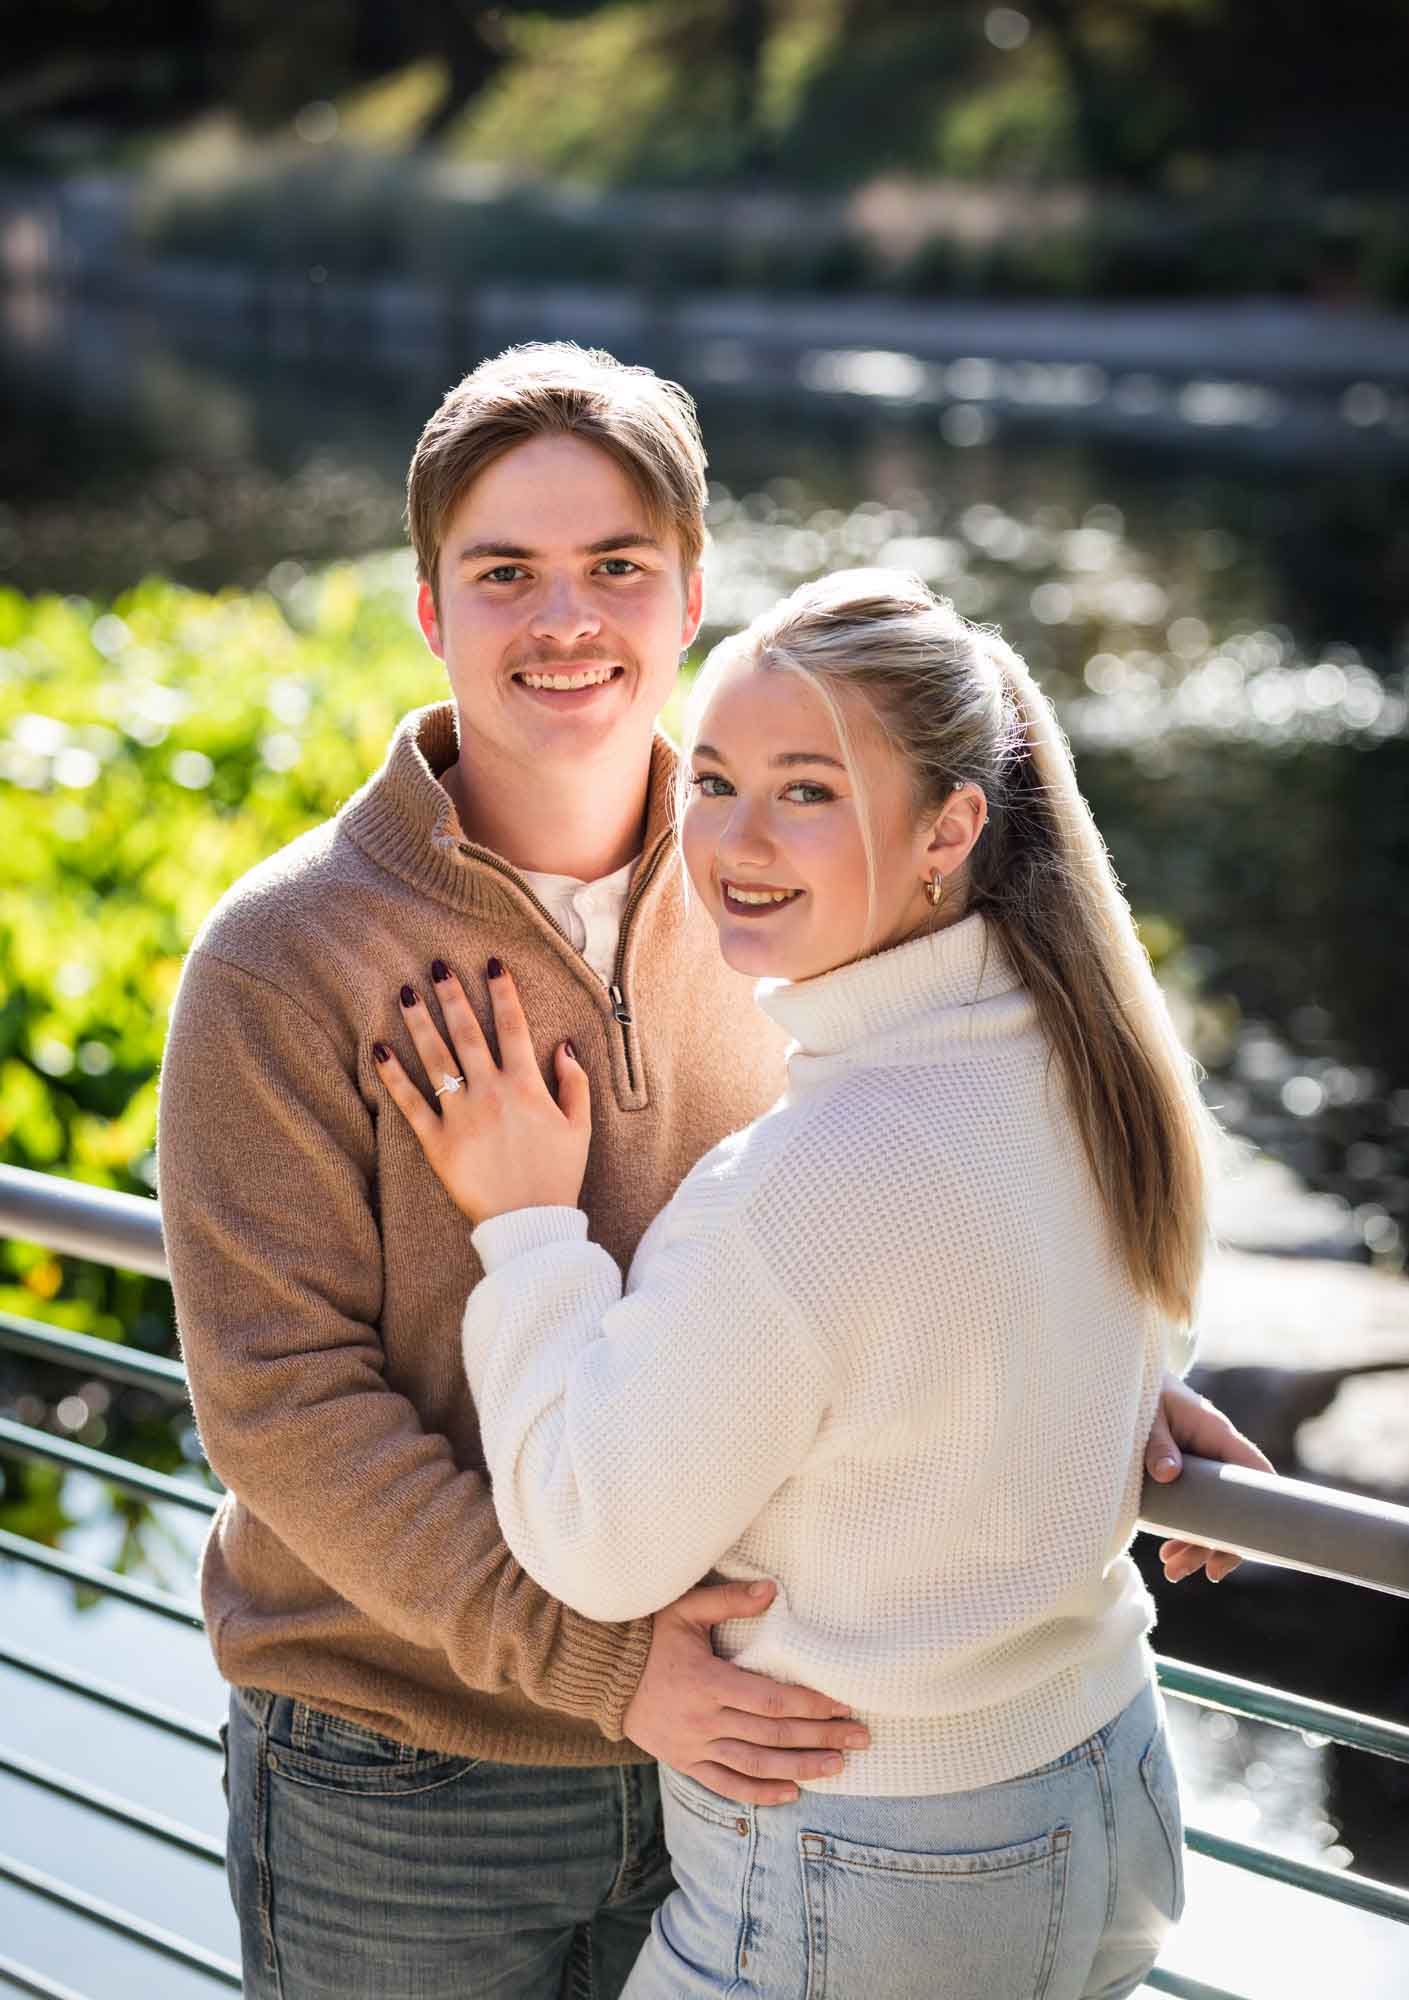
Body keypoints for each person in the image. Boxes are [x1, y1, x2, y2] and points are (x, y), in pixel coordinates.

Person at [158, 343, 1265, 2000]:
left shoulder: (785, 887)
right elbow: (280, 1409)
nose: (565, 619)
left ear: (688, 599)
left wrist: (1059, 1378)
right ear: (427, 610)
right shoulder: (281, 957)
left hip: (746, 1762)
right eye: (504, 573)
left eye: (615, 566)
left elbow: (890, 1222)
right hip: (411, 1779)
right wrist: (605, 1668)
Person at [376, 567, 1240, 1998]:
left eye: (807, 790)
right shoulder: (1084, 1060)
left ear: (950, 829)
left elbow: (596, 1541)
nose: (733, 838)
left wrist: (528, 1232)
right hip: (1104, 1787)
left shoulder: (805, 1179)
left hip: (873, 1853)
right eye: (710, 779)